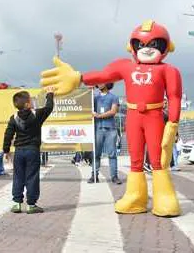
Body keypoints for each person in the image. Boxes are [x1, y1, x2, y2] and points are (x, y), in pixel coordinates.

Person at [41, 20, 182, 217]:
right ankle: (135, 197)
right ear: (131, 46)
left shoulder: (169, 70)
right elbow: (103, 75)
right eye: (141, 44)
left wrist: (173, 123)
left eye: (154, 44)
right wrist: (79, 77)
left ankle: (164, 197)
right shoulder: (125, 66)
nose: (147, 49)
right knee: (135, 159)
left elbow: (175, 97)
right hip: (133, 117)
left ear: (167, 46)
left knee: (159, 159)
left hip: (155, 116)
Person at [3, 88, 54, 214]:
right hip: (33, 150)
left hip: (19, 151)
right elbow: (49, 107)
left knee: (18, 176)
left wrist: (6, 150)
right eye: (30, 100)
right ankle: (31, 204)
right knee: (32, 177)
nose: (32, 101)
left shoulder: (13, 118)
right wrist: (50, 94)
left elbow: (8, 134)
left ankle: (17, 204)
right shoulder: (37, 114)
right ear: (27, 104)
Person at [89, 83, 122, 185]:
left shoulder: (114, 97)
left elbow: (113, 111)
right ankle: (94, 175)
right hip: (98, 129)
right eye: (97, 82)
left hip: (110, 129)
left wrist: (99, 115)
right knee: (96, 154)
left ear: (107, 83)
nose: (99, 84)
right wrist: (88, 92)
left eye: (101, 82)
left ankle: (114, 177)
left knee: (112, 154)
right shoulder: (95, 98)